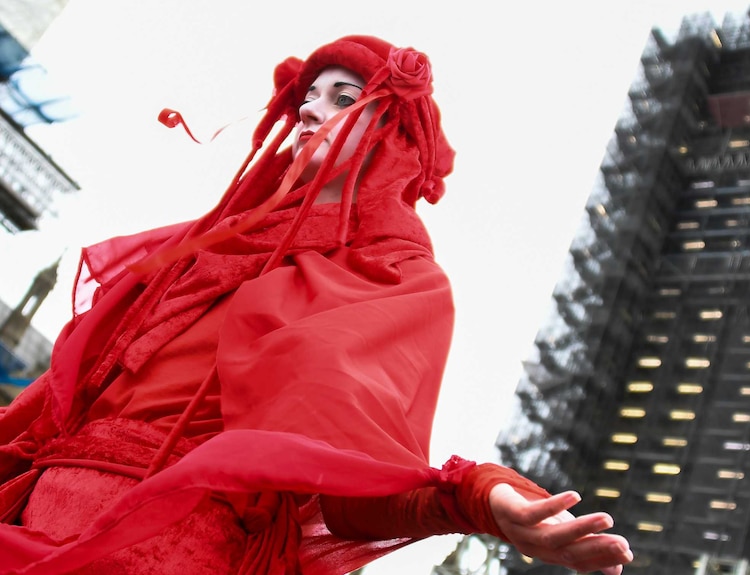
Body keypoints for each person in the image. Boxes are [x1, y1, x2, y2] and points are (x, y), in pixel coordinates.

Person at [0, 35, 633, 575]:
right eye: (309, 94)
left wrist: (480, 499)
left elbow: (352, 480)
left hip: (169, 551)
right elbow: (53, 416)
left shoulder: (399, 279)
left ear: (393, 132)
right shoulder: (212, 244)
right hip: (31, 521)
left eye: (344, 99)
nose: (310, 110)